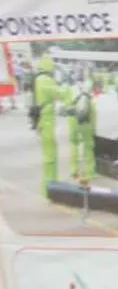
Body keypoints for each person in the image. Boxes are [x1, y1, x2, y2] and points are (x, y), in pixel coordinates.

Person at [30, 55, 61, 195]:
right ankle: (50, 187)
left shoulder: (37, 78)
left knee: (49, 153)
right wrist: (70, 90)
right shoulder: (45, 79)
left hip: (42, 119)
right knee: (50, 155)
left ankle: (50, 185)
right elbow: (56, 93)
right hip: (46, 119)